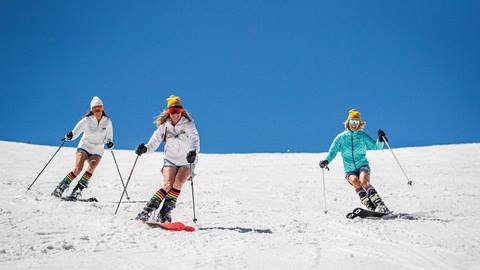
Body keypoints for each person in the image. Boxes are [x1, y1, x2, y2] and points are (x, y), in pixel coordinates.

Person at [135, 95, 200, 223]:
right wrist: (145, 149)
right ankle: (146, 210)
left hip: (187, 160)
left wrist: (193, 152)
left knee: (179, 182)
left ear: (181, 111)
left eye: (178, 110)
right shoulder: (164, 126)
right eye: (172, 111)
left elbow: (195, 139)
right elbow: (153, 142)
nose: (175, 114)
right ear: (168, 112)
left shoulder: (188, 124)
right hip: (170, 160)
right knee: (168, 185)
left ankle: (164, 213)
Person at [319, 109, 390, 213]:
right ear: (348, 123)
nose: (354, 124)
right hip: (349, 170)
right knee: (354, 181)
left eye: (356, 122)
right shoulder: (341, 138)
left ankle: (380, 204)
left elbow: (376, 146)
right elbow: (332, 151)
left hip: (362, 165)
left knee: (363, 181)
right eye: (352, 122)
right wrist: (326, 161)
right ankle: (371, 206)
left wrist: (380, 140)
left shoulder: (362, 136)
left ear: (360, 124)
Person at [52, 96, 114, 199]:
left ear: (102, 109)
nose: (97, 111)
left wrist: (110, 143)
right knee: (78, 168)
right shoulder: (87, 120)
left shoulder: (107, 121)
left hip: (97, 149)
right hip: (85, 146)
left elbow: (109, 137)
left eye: (99, 109)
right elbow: (75, 131)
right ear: (92, 110)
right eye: (95, 109)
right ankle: (61, 187)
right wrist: (70, 136)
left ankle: (77, 190)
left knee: (92, 166)